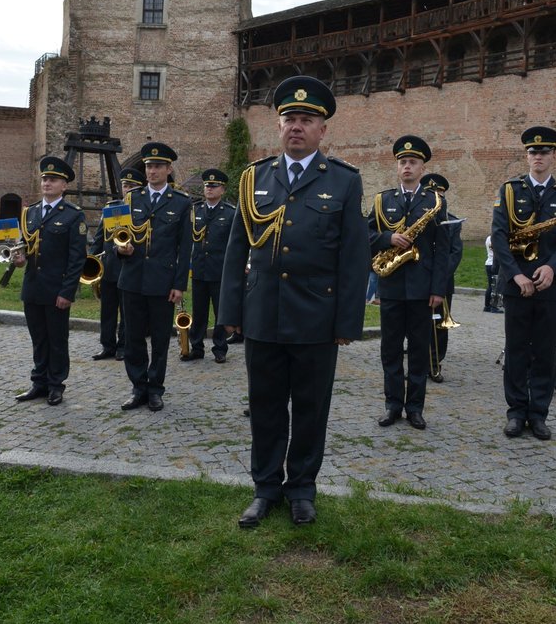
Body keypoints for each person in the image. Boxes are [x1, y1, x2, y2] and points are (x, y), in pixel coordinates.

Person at [219, 76, 370, 528]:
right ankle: (265, 488)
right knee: (264, 407)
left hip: (316, 319)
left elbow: (354, 257)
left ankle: (302, 488)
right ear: (278, 126)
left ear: (323, 130)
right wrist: (229, 313)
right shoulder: (254, 178)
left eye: (307, 120)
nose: (297, 127)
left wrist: (347, 321)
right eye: (289, 119)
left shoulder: (343, 182)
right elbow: (236, 251)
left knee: (309, 409)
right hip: (262, 314)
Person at [491, 126, 556, 440]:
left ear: (554, 156)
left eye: (543, 152)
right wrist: (515, 274)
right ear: (527, 155)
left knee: (544, 352)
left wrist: (553, 269)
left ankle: (538, 414)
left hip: (549, 287)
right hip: (517, 284)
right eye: (532, 152)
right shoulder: (510, 190)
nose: (537, 157)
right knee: (516, 351)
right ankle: (516, 413)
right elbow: (499, 237)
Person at [368, 137, 449, 430]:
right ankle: (392, 406)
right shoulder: (382, 200)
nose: (407, 166)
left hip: (421, 289)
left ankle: (415, 407)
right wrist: (386, 238)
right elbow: (363, 237)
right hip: (390, 286)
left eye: (412, 162)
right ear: (397, 166)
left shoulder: (435, 201)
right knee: (390, 350)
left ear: (422, 167)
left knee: (418, 351)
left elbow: (444, 249)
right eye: (402, 162)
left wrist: (438, 289)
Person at [117, 142, 192, 413]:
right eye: (149, 166)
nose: (152, 171)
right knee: (133, 338)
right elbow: (118, 236)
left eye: (158, 166)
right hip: (133, 279)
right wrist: (120, 249)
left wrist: (179, 285)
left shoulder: (182, 203)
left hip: (163, 282)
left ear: (169, 169)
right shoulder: (131, 199)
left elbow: (185, 248)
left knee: (160, 339)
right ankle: (138, 387)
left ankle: (156, 389)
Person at [13, 156, 87, 406]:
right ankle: (39, 382)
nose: (47, 183)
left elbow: (77, 259)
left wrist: (67, 292)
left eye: (53, 180)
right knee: (38, 338)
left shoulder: (73, 216)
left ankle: (56, 384)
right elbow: (23, 246)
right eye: (45, 179)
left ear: (64, 185)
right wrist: (19, 259)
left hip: (57, 289)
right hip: (33, 287)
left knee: (57, 340)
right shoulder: (30, 212)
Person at [90, 166, 146, 362]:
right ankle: (107, 345)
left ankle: (123, 345)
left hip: (129, 268)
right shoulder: (111, 208)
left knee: (127, 312)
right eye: (125, 185)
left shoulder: (142, 210)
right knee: (107, 310)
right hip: (109, 268)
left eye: (131, 186)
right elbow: (99, 238)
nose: (127, 189)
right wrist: (91, 261)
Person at [187, 169, 235, 363]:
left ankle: (220, 348)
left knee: (219, 312)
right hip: (199, 269)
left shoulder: (230, 213)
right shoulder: (195, 211)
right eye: (207, 185)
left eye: (214, 186)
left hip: (219, 270)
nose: (209, 189)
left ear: (222, 189)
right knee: (199, 312)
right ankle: (196, 347)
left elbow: (234, 244)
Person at [421, 173, 463, 382]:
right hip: (418, 279)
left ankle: (435, 362)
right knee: (417, 322)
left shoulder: (452, 222)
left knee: (439, 324)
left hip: (442, 282)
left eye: (440, 194)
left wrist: (438, 278)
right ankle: (417, 358)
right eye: (432, 193)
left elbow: (455, 253)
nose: (436, 197)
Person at [484, 234, 502, 312]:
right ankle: (493, 307)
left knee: (490, 286)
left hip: (488, 263)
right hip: (495, 263)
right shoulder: (496, 238)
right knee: (495, 286)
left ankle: (487, 306)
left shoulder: (488, 238)